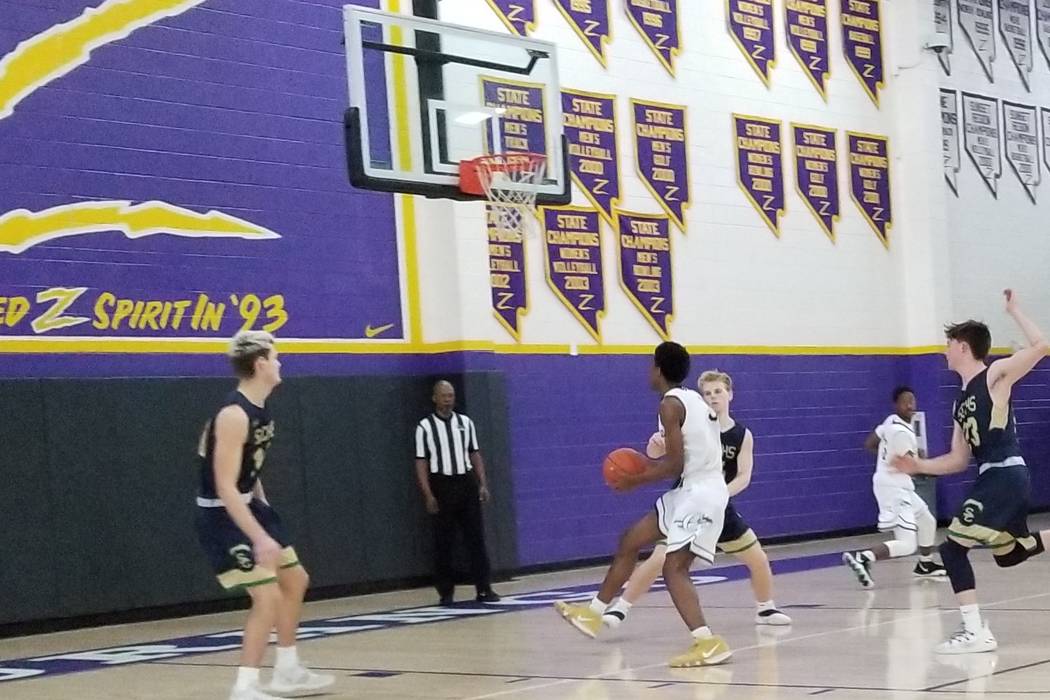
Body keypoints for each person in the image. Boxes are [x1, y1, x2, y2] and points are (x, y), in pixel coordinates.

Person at [554, 342, 732, 667]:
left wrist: (634, 479)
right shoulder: (690, 398)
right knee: (630, 540)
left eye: (651, 364)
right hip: (691, 490)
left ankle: (708, 642)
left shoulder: (670, 405)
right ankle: (593, 614)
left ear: (659, 369)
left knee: (673, 568)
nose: (648, 371)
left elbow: (675, 464)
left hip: (700, 492)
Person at [895, 290, 1050, 654]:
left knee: (952, 550)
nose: (945, 350)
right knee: (1008, 555)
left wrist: (1015, 311)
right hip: (993, 477)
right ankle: (977, 629)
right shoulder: (959, 401)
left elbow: (1042, 346)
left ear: (963, 347)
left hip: (1005, 474)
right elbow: (956, 459)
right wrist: (918, 465)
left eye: (949, 344)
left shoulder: (995, 375)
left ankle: (974, 631)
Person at [195, 331, 334, 700]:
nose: (279, 363)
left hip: (249, 505)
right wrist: (258, 536)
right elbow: (224, 486)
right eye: (275, 358)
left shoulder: (260, 407)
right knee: (267, 596)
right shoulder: (234, 414)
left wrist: (265, 510)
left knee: (296, 579)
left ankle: (287, 670)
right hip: (221, 516)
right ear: (259, 364)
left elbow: (248, 473)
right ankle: (245, 687)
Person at [601, 370, 791, 629]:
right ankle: (620, 608)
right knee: (659, 558)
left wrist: (721, 494)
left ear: (730, 395)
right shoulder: (694, 426)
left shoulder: (741, 435)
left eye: (718, 392)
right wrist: (656, 444)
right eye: (707, 393)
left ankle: (765, 609)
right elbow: (656, 454)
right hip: (689, 502)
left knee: (757, 559)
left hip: (720, 504)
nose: (713, 397)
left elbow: (744, 476)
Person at [842, 386, 947, 587]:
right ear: (895, 405)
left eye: (912, 401)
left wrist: (887, 459)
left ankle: (925, 564)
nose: (909, 405)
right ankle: (864, 557)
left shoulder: (890, 421)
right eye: (905, 401)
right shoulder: (901, 433)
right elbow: (912, 466)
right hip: (894, 489)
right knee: (907, 544)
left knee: (926, 519)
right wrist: (931, 466)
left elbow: (870, 443)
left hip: (893, 484)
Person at [414, 380, 500, 605]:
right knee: (444, 541)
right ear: (435, 398)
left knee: (476, 539)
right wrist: (428, 494)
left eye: (451, 395)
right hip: (441, 484)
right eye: (444, 395)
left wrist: (482, 483)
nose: (448, 399)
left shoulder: (465, 423)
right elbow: (421, 462)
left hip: (465, 482)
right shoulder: (424, 427)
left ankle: (484, 588)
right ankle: (446, 592)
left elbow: (475, 454)